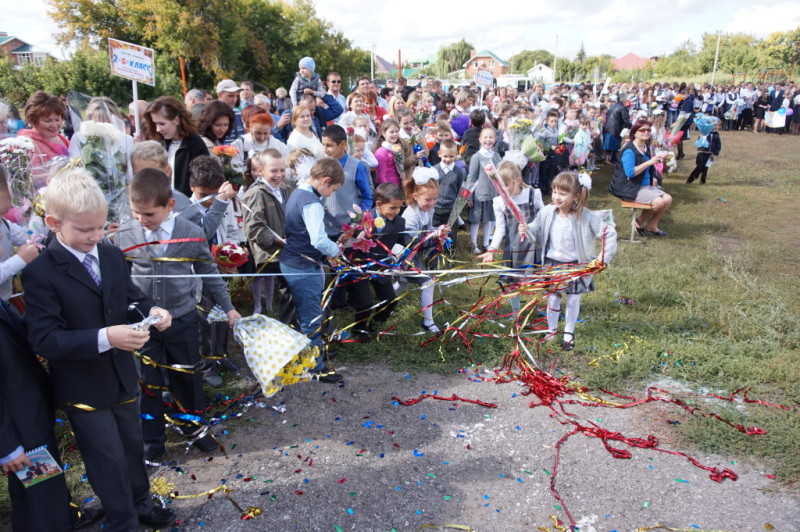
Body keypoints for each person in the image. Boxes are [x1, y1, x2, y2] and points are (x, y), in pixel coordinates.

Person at [22, 168, 175, 531]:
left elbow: (129, 299)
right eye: (85, 230)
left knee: (132, 446)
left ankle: (141, 503)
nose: (95, 236)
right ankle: (123, 521)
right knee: (106, 458)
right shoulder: (40, 273)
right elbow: (45, 339)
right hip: (83, 386)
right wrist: (106, 337)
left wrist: (152, 310)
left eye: (101, 228)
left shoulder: (109, 255)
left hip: (122, 375)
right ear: (54, 223)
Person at [116, 168, 241, 461]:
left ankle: (194, 428)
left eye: (149, 214)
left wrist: (228, 307)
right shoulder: (124, 234)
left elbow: (209, 273)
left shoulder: (191, 233)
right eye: (136, 213)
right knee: (147, 381)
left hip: (182, 318)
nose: (141, 220)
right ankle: (151, 439)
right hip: (142, 324)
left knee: (186, 376)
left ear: (170, 205)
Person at [519, 171, 617, 351]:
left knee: (572, 299)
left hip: (575, 266)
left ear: (576, 196)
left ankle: (568, 333)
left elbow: (608, 233)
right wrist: (526, 229)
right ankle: (551, 330)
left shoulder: (586, 216)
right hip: (552, 264)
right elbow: (535, 228)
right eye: (555, 192)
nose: (557, 197)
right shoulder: (547, 212)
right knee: (553, 299)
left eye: (563, 194)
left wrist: (602, 259)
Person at [279, 157, 344, 383]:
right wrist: (336, 250)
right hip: (303, 266)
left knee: (307, 312)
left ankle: (310, 352)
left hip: (294, 261)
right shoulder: (312, 203)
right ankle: (315, 366)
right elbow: (318, 239)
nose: (331, 194)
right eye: (333, 189)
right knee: (311, 317)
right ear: (325, 181)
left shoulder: (298, 193)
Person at [188, 156, 243, 386]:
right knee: (204, 320)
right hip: (199, 277)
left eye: (214, 195)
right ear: (192, 187)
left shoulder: (224, 203)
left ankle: (221, 355)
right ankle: (206, 365)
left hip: (221, 271)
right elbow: (200, 238)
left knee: (223, 314)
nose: (210, 200)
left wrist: (231, 252)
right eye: (204, 195)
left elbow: (231, 231)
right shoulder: (187, 211)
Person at [479, 161, 543, 313]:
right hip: (514, 248)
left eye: (506, 185)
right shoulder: (499, 201)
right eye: (499, 185)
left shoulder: (533, 194)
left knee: (537, 279)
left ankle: (539, 308)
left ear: (518, 181)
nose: (502, 189)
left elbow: (544, 216)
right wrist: (492, 250)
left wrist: (532, 227)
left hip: (534, 246)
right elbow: (500, 228)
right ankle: (516, 312)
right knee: (514, 282)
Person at [344, 183, 407, 337]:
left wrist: (433, 239)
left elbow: (405, 242)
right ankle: (359, 329)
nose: (396, 211)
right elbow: (347, 243)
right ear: (378, 204)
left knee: (390, 300)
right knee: (365, 303)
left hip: (380, 267)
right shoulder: (361, 219)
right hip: (359, 266)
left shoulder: (399, 222)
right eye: (392, 208)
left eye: (399, 208)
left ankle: (375, 324)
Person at [242, 149, 293, 319]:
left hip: (287, 250)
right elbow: (253, 228)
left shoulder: (286, 189)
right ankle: (287, 323)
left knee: (291, 289)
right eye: (274, 171)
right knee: (289, 288)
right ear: (260, 171)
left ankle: (289, 322)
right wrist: (276, 240)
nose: (279, 175)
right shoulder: (256, 194)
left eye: (282, 170)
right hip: (270, 253)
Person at [402, 168, 447, 333]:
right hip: (404, 257)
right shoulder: (410, 216)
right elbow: (413, 243)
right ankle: (428, 322)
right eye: (428, 199)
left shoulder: (426, 209)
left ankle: (386, 304)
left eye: (435, 198)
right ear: (415, 196)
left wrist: (438, 232)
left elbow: (429, 229)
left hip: (415, 256)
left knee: (401, 283)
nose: (433, 202)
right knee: (428, 282)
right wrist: (434, 236)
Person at [608, 121, 672, 237]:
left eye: (648, 130)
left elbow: (647, 169)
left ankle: (652, 225)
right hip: (629, 187)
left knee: (668, 199)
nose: (646, 132)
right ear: (635, 133)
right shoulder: (629, 150)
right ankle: (640, 221)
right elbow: (630, 173)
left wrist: (654, 177)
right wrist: (649, 162)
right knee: (659, 202)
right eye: (642, 130)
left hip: (644, 186)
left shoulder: (645, 146)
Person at [144, 96, 209, 196]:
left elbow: (204, 179)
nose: (158, 129)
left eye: (162, 124)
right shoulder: (159, 143)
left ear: (176, 120)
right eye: (155, 124)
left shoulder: (195, 144)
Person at [320, 125, 374, 236]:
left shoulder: (357, 166)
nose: (325, 149)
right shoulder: (321, 165)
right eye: (323, 145)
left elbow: (367, 196)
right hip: (326, 227)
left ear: (343, 144)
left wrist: (357, 218)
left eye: (329, 145)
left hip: (350, 227)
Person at [1, 167, 39, 302]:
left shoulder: (4, 223)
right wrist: (21, 259)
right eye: (9, 195)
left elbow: (27, 235)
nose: (12, 203)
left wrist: (37, 222)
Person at [17, 91, 70, 189]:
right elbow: (23, 179)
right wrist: (59, 175)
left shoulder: (62, 139)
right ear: (33, 120)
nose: (54, 125)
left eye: (57, 119)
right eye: (47, 121)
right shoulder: (26, 143)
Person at [466, 127, 501, 254]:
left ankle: (486, 243)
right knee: (476, 220)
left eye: (491, 137)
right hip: (479, 195)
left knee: (489, 220)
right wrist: (469, 196)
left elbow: (499, 175)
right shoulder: (477, 157)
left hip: (493, 194)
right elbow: (471, 177)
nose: (488, 140)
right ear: (480, 139)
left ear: (495, 139)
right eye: (485, 137)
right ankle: (473, 244)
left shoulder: (497, 156)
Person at [431, 139, 465, 249]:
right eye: (445, 156)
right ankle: (433, 253)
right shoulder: (434, 170)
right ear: (439, 154)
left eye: (451, 156)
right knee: (434, 232)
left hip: (450, 209)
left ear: (456, 155)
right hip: (435, 208)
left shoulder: (458, 172)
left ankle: (450, 253)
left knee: (450, 233)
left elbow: (460, 190)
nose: (448, 159)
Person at [686, 119, 721, 185]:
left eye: (718, 125)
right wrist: (702, 136)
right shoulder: (705, 132)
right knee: (699, 167)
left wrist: (715, 154)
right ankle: (690, 179)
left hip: (710, 154)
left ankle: (702, 181)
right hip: (702, 153)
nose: (716, 127)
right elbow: (700, 141)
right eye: (714, 125)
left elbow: (718, 145)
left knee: (705, 168)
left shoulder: (716, 134)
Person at [374, 118, 404, 186]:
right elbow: (381, 177)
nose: (395, 134)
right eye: (392, 132)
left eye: (397, 131)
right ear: (384, 133)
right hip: (389, 188)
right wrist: (388, 190)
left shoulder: (395, 148)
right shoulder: (381, 152)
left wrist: (401, 172)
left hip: (397, 185)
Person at [215, 79, 245, 144]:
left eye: (236, 96)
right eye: (230, 96)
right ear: (219, 95)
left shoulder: (237, 112)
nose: (234, 99)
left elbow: (241, 134)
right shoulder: (212, 114)